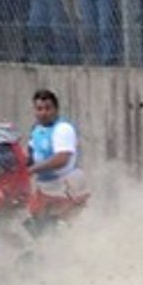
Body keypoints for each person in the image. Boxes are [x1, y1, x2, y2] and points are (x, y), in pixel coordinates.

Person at [26, 89, 90, 224]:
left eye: (47, 108)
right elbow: (31, 156)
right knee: (36, 224)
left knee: (61, 226)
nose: (43, 113)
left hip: (65, 184)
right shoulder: (36, 130)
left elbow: (61, 159)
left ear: (56, 109)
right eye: (39, 109)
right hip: (45, 185)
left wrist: (32, 170)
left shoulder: (63, 129)